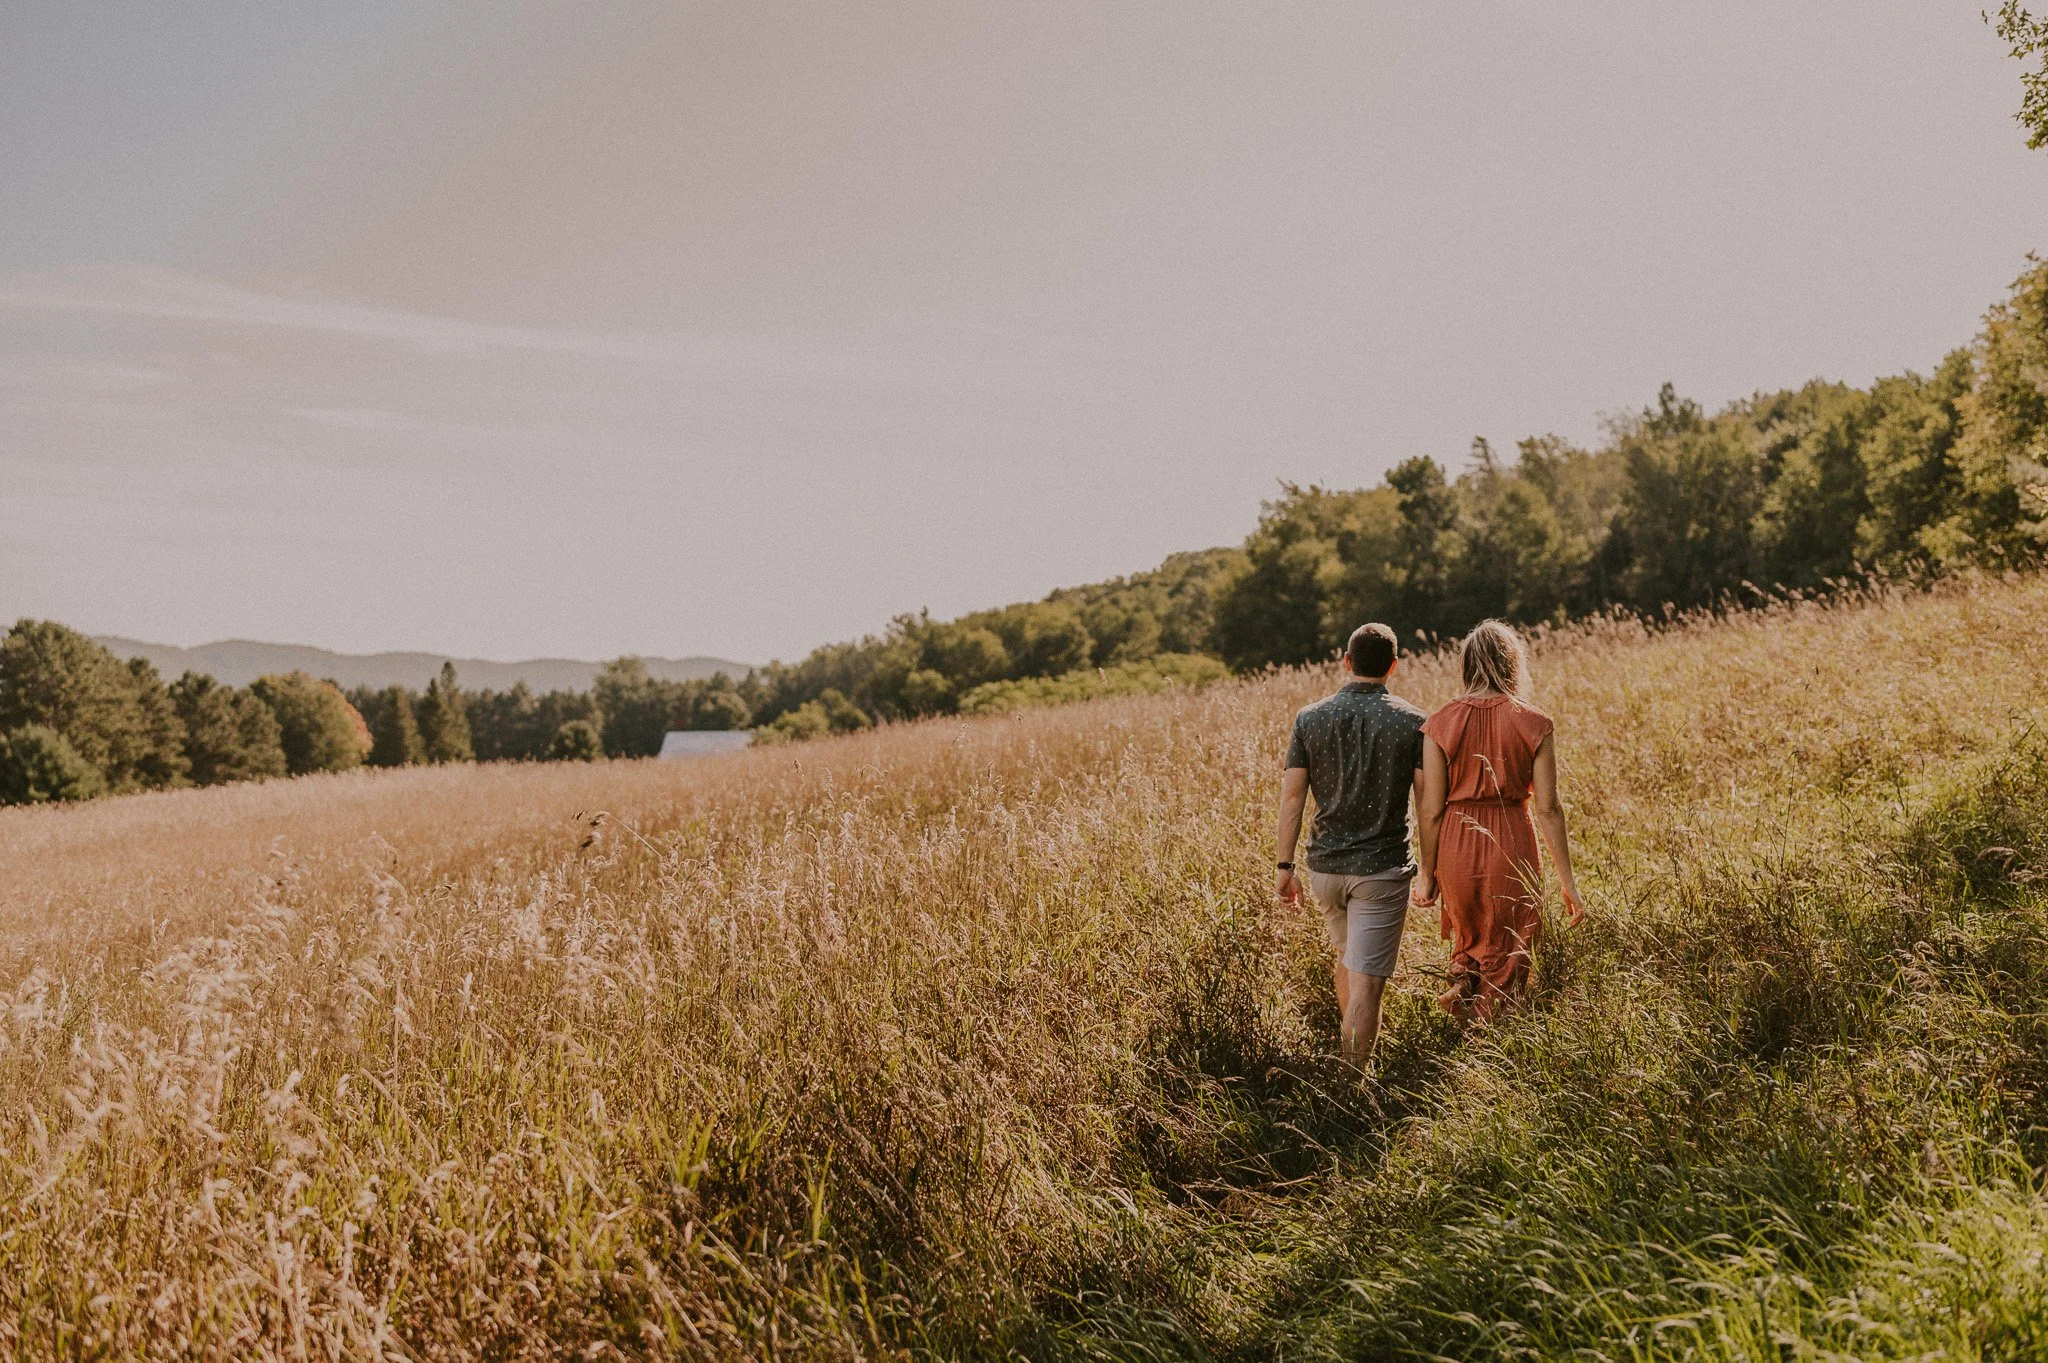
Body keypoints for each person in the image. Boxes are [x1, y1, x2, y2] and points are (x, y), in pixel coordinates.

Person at [1413, 619, 1583, 1020]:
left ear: (1467, 665)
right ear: (1513, 664)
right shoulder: (1534, 722)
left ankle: (1463, 982)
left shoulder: (1439, 723)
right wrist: (1568, 882)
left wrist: (1428, 873)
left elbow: (1431, 808)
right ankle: (1490, 1041)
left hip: (1457, 841)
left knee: (1469, 937)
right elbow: (1549, 808)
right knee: (1511, 944)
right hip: (1511, 839)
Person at [1275, 622, 1426, 1068]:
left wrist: (1285, 867)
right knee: (1368, 984)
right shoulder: (1415, 723)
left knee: (1350, 959)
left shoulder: (1309, 718)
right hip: (1380, 871)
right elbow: (1428, 805)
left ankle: (1350, 1054)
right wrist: (1432, 872)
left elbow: (1291, 797)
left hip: (1324, 871)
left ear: (1346, 661)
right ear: (1393, 667)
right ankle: (1351, 1087)